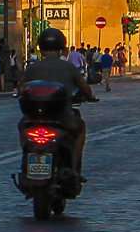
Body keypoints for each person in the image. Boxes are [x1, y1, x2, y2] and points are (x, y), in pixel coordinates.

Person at [20, 28, 95, 177]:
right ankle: (73, 169)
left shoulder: (33, 67)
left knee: (22, 128)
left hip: (35, 117)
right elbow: (84, 87)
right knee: (80, 128)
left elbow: (21, 86)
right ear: (61, 47)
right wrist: (89, 96)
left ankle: (26, 158)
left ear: (41, 47)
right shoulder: (68, 67)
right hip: (62, 116)